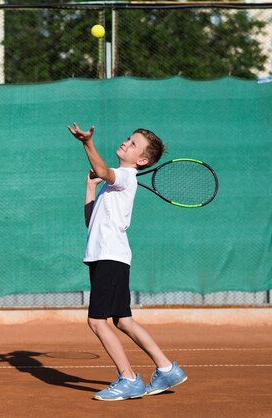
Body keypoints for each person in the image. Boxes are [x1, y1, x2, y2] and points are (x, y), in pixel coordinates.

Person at [67, 122, 187, 401]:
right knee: (123, 321)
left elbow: (103, 171)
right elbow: (90, 221)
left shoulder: (124, 176)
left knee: (97, 322)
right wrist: (89, 187)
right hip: (109, 256)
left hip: (110, 257)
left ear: (142, 160)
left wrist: (87, 142)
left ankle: (129, 378)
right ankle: (167, 368)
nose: (126, 143)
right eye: (128, 139)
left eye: (134, 144)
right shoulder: (115, 184)